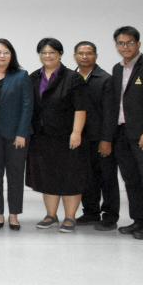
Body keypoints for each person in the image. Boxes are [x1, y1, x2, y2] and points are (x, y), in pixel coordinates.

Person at [107, 26, 143, 240]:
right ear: (116, 46)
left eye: (130, 42)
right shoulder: (117, 69)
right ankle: (138, 220)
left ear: (138, 44)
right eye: (121, 43)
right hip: (122, 133)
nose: (125, 47)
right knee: (131, 179)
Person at [26, 37, 87, 233]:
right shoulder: (34, 77)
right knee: (48, 177)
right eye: (44, 52)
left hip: (67, 136)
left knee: (70, 177)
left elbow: (80, 108)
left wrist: (76, 132)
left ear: (60, 54)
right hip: (42, 137)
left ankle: (70, 217)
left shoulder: (73, 78)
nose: (47, 56)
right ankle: (51, 215)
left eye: (52, 52)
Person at [0, 39, 33, 231]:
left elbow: (27, 106)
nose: (2, 56)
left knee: (15, 175)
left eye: (6, 52)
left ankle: (14, 214)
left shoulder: (21, 75)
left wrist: (22, 133)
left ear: (12, 55)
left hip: (15, 136)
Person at [73, 41, 117, 229]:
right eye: (81, 53)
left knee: (107, 178)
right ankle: (91, 212)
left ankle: (110, 216)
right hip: (79, 139)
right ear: (75, 56)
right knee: (86, 177)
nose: (85, 56)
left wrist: (106, 139)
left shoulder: (105, 79)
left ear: (96, 56)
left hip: (100, 138)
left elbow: (110, 113)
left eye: (89, 53)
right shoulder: (71, 78)